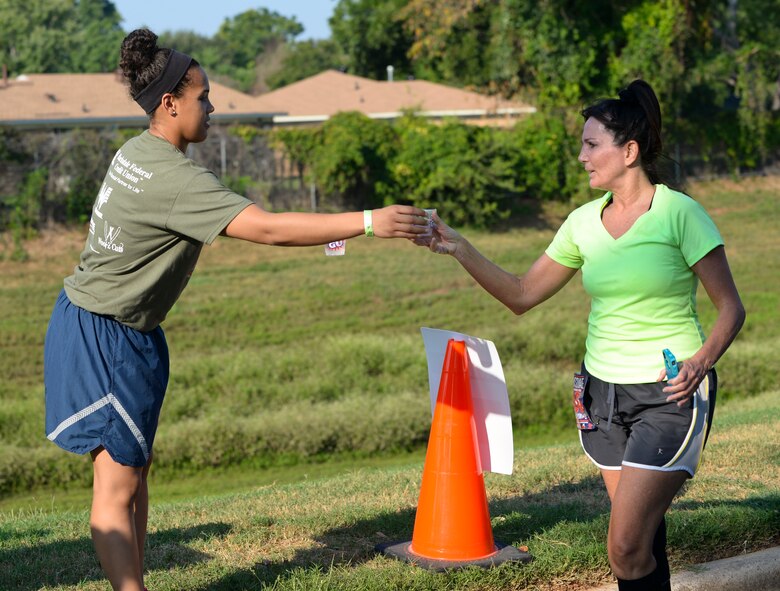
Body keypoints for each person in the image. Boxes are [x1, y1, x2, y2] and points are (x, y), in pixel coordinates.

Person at [43, 29, 429, 591]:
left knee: (135, 472)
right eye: (203, 97)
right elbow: (268, 228)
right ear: (170, 103)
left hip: (117, 329)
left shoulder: (138, 152)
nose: (213, 107)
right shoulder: (176, 179)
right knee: (116, 487)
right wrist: (370, 222)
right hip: (105, 336)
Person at [419, 80, 745, 590]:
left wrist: (700, 362)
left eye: (592, 145)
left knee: (623, 548)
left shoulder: (679, 213)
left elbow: (731, 308)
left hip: (669, 393)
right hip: (603, 397)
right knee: (638, 541)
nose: (581, 156)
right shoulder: (581, 224)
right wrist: (459, 247)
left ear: (629, 151)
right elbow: (523, 294)